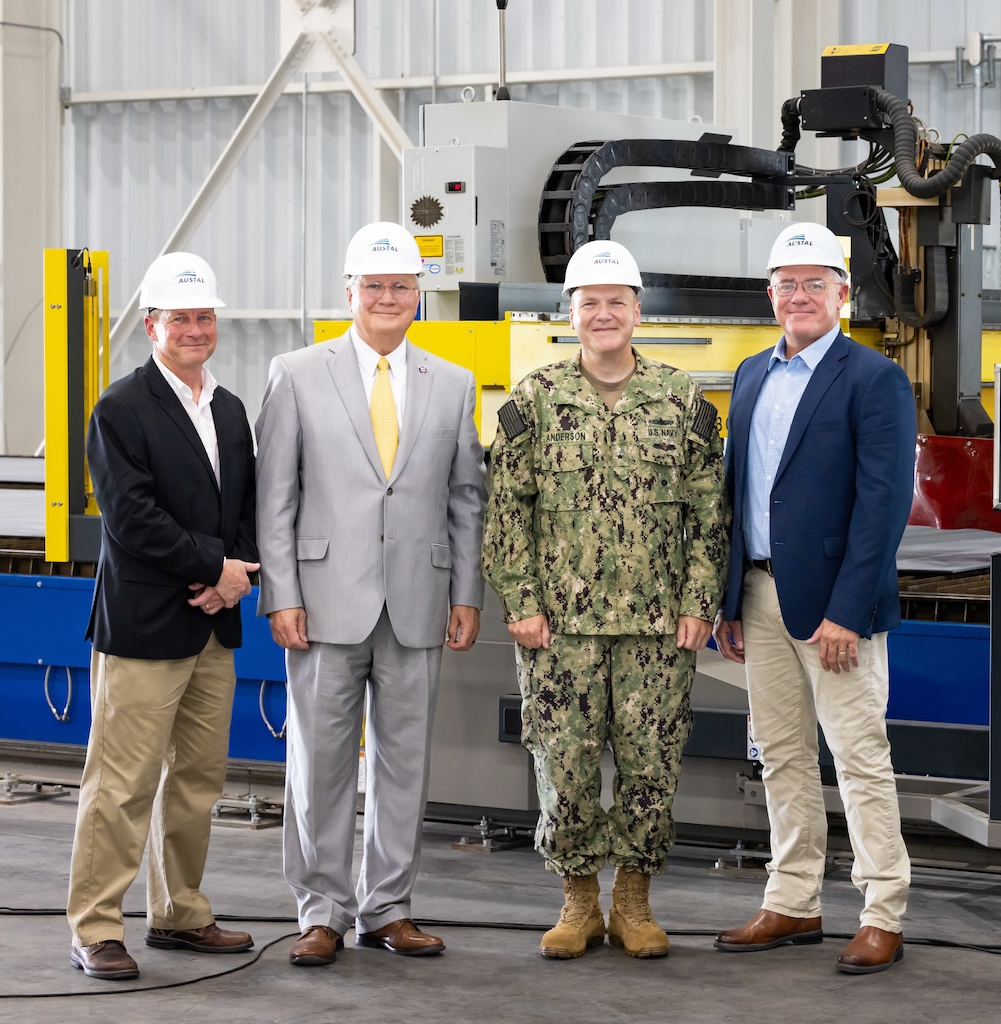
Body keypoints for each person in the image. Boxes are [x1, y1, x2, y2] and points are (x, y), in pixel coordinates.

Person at [482, 239, 728, 960]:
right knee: (564, 765)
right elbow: (506, 514)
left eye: (616, 301)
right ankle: (578, 900)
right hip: (559, 629)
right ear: (570, 313)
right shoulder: (534, 399)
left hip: (657, 627)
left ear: (637, 311)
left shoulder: (682, 400)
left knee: (653, 765)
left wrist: (699, 602)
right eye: (589, 302)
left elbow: (709, 514)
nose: (603, 314)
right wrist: (521, 602)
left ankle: (634, 902)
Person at [255, 222, 486, 966]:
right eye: (374, 285)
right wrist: (281, 593)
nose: (388, 297)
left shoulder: (450, 384)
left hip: (418, 598)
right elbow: (275, 499)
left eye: (401, 286)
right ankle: (320, 910)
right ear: (348, 291)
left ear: (419, 295)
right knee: (319, 763)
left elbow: (465, 499)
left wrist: (467, 592)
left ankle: (387, 908)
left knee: (404, 762)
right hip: (321, 601)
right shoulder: (295, 372)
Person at [713, 223, 917, 974]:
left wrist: (847, 611)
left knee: (859, 758)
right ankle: (793, 899)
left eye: (813, 283)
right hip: (760, 596)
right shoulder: (749, 375)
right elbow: (738, 496)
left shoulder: (873, 379)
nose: (798, 296)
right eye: (786, 284)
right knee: (781, 757)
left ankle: (882, 908)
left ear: (840, 293)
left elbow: (882, 506)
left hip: (834, 606)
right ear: (770, 295)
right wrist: (729, 597)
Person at [67, 252, 259, 980]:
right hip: (146, 628)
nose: (194, 329)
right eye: (180, 317)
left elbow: (246, 508)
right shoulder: (120, 408)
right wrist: (213, 569)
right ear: (151, 325)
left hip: (212, 624)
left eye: (204, 317)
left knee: (196, 782)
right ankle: (96, 927)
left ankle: (179, 912)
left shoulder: (232, 410)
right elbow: (131, 519)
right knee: (120, 786)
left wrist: (233, 578)